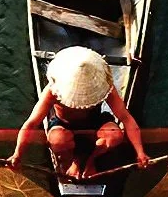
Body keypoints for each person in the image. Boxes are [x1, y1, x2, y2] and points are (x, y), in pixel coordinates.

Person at [8, 46, 151, 180]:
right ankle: (71, 164)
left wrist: (140, 152)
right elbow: (32, 123)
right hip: (64, 125)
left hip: (95, 124)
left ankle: (90, 161)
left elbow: (126, 118)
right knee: (58, 140)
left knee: (115, 135)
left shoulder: (105, 87)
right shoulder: (53, 91)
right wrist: (17, 153)